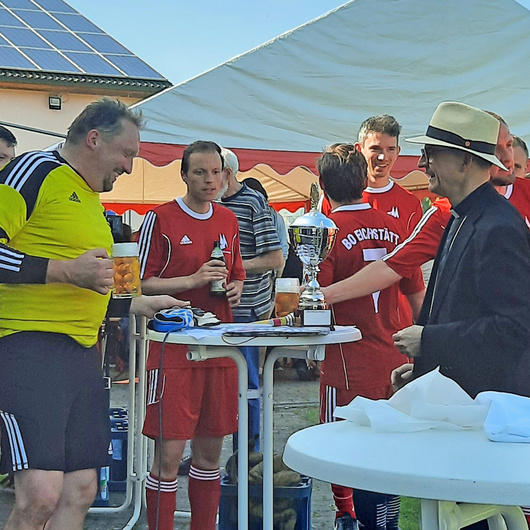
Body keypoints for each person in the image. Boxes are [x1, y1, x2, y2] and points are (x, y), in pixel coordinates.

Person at [0, 98, 185, 530]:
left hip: (84, 354)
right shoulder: (33, 172)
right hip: (28, 346)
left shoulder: (92, 201)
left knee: (81, 489)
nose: (129, 167)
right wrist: (64, 271)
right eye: (127, 154)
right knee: (40, 494)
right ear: (94, 139)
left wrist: (138, 303)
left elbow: (94, 284)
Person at [137, 140, 245, 530]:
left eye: (216, 172)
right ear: (183, 174)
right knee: (168, 461)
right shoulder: (160, 218)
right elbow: (137, 284)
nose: (210, 180)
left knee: (209, 457)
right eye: (200, 172)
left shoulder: (228, 220)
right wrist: (192, 280)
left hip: (219, 349)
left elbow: (236, 276)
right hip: (174, 349)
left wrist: (235, 287)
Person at [317, 144, 425, 530]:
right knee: (386, 448)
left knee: (339, 443)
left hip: (348, 359)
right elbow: (417, 296)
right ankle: (384, 519)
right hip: (397, 354)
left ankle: (348, 516)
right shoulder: (397, 227)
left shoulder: (325, 231)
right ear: (365, 181)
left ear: (321, 182)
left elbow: (317, 306)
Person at [392, 101, 530, 399]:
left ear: (465, 162)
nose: (421, 164)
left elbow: (514, 328)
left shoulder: (498, 227)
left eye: (431, 154)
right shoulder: (463, 216)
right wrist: (423, 369)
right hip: (463, 404)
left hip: (486, 410)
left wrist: (429, 341)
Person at [220, 148, 283, 451]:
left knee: (247, 385)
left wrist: (236, 270)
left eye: (213, 172)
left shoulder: (253, 203)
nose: (208, 180)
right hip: (211, 311)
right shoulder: (207, 204)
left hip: (246, 311)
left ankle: (249, 456)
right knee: (213, 385)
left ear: (227, 174)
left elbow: (274, 258)